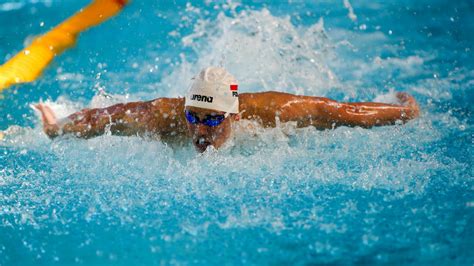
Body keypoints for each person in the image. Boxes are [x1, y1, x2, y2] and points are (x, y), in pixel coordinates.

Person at [35, 67, 420, 153]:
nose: (200, 132)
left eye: (212, 120)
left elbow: (344, 112)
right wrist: (58, 127)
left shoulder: (274, 112)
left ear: (233, 116)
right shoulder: (163, 115)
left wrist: (402, 113)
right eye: (194, 118)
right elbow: (107, 117)